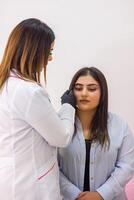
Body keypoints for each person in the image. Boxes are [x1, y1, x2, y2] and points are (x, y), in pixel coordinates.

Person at [0, 18, 76, 200]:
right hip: (29, 186)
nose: (51, 58)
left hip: (10, 180)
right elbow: (62, 137)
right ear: (34, 51)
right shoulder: (29, 92)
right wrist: (68, 106)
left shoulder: (6, 85)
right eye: (49, 51)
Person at [58, 67, 134, 200]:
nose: (84, 93)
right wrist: (74, 194)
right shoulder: (59, 124)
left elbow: (127, 166)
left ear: (102, 93)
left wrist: (101, 194)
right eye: (78, 88)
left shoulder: (119, 125)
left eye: (92, 89)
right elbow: (50, 165)